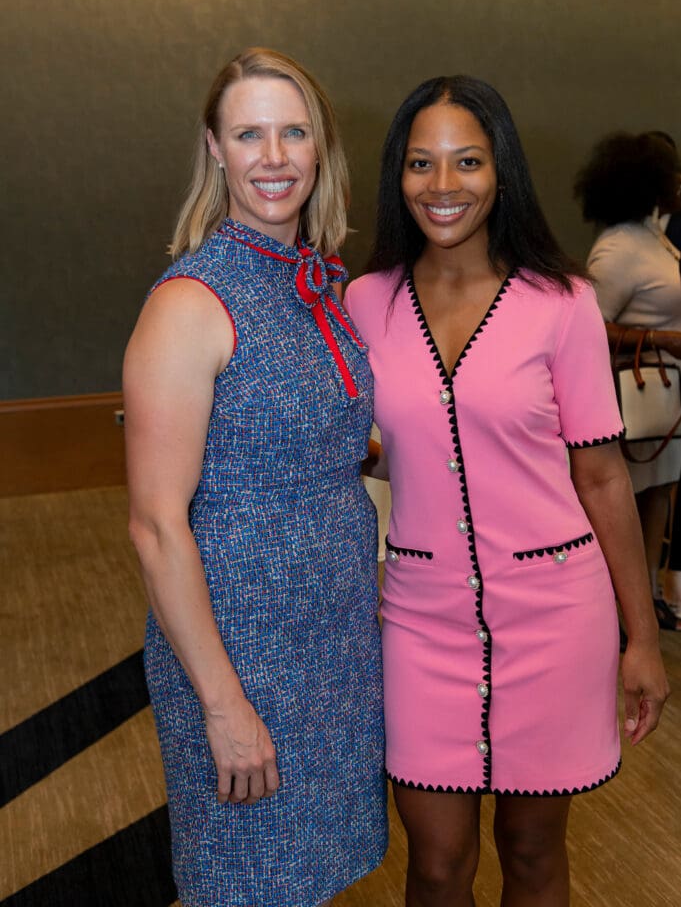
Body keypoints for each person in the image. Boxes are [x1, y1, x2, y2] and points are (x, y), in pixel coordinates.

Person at [343, 76, 669, 907]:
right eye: (421, 163)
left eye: (466, 161)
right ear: (397, 175)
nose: (442, 184)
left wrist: (641, 639)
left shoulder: (560, 304)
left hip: (554, 614)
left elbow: (599, 476)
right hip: (420, 620)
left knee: (529, 853)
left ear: (501, 172)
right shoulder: (363, 303)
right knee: (438, 862)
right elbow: (368, 450)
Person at [123, 47, 387, 907]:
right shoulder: (189, 302)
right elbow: (156, 525)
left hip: (334, 637)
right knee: (246, 882)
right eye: (248, 134)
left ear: (321, 148)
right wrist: (224, 705)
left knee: (311, 878)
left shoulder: (318, 282)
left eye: (292, 133)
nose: (272, 157)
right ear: (215, 149)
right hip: (240, 645)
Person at [576, 131, 681, 630]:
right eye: (671, 173)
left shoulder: (652, 235)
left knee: (659, 489)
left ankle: (649, 598)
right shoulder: (618, 247)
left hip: (663, 395)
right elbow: (588, 328)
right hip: (632, 391)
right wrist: (660, 341)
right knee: (629, 493)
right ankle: (620, 606)